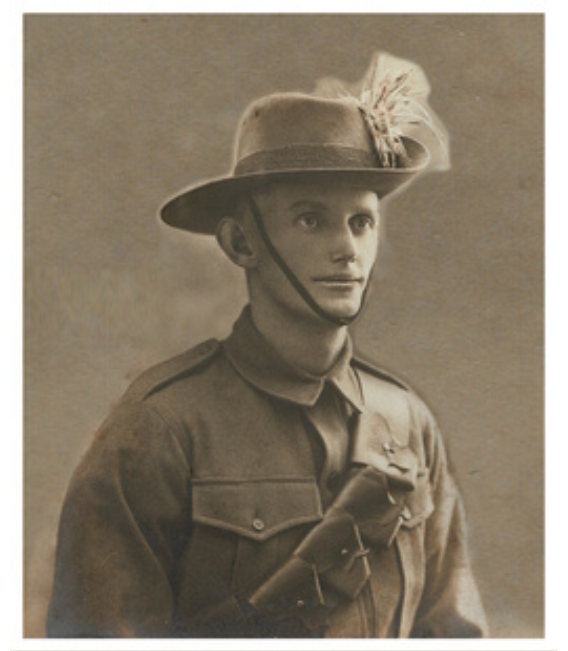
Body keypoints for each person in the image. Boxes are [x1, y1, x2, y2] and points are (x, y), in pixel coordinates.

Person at [46, 53, 488, 638]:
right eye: (311, 220)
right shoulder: (161, 428)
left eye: (361, 222)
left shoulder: (408, 424)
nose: (347, 250)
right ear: (240, 243)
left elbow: (453, 632)